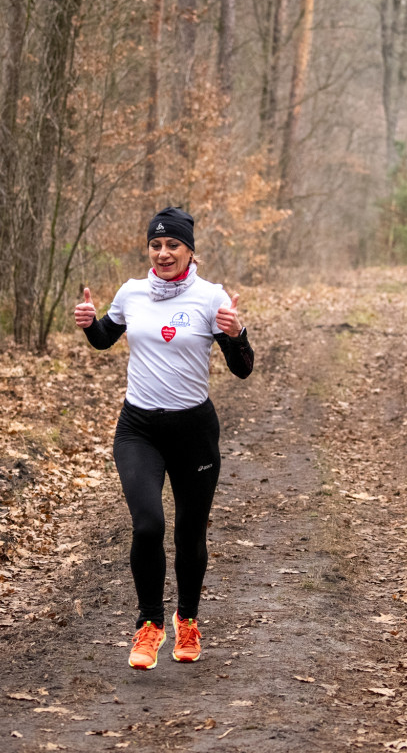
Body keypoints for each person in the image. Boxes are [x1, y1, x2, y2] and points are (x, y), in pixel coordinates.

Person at [73, 206, 254, 670]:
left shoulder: (211, 298)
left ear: (190, 249)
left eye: (173, 244)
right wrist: (91, 321)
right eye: (156, 244)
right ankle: (150, 624)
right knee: (148, 525)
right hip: (139, 430)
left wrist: (237, 335)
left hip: (194, 432)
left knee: (190, 533)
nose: (163, 252)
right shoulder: (132, 293)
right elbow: (103, 339)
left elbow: (243, 368)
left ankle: (187, 620)